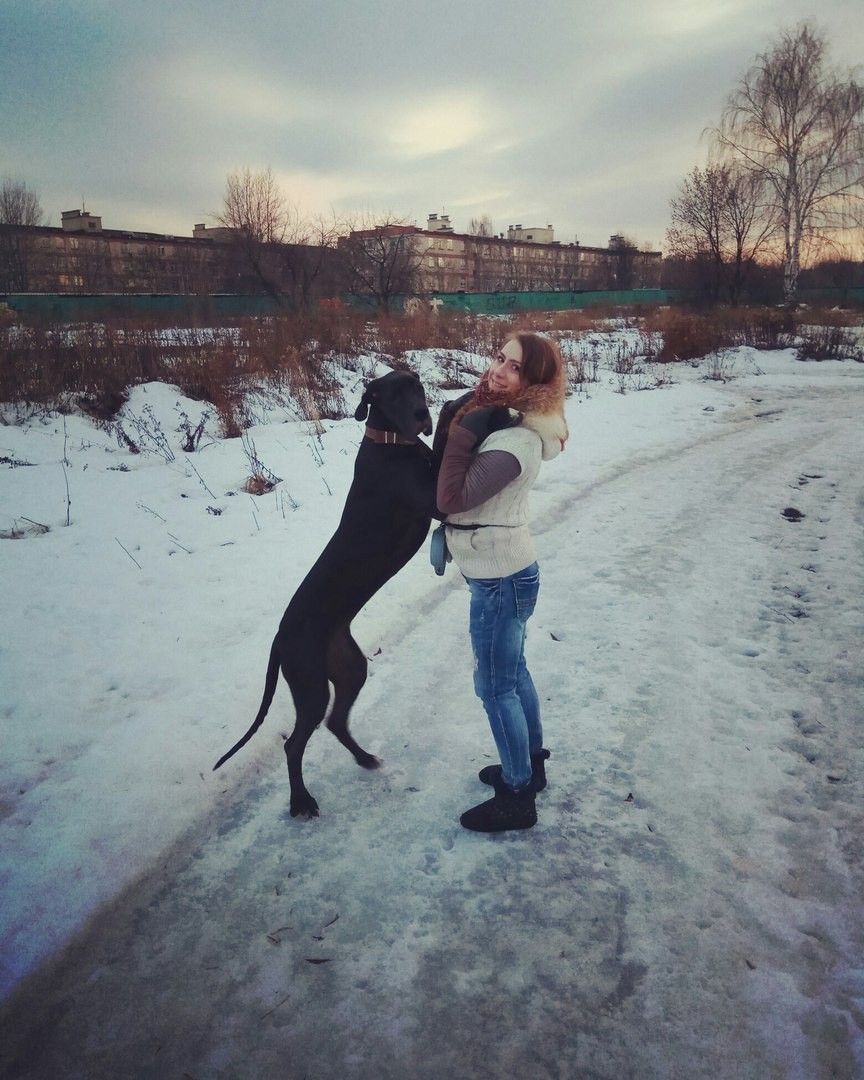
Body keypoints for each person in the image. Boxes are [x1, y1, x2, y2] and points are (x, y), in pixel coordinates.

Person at [435, 331, 568, 833]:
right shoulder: (511, 420)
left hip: (501, 579)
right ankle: (529, 765)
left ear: (535, 382)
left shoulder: (515, 441)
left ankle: (517, 796)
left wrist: (463, 432)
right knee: (513, 674)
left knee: (494, 687)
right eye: (499, 358)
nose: (499, 370)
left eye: (515, 367)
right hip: (502, 573)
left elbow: (450, 498)